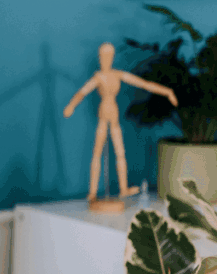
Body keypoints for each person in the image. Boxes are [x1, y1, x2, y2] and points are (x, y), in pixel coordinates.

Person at [63, 42, 177, 201]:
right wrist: (71, 106)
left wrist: (167, 91)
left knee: (120, 151)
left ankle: (123, 189)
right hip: (104, 114)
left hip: (114, 115)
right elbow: (82, 92)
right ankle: (93, 192)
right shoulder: (98, 77)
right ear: (99, 58)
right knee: (97, 151)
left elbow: (144, 84)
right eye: (103, 56)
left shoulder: (118, 75)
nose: (105, 59)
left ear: (112, 57)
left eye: (108, 56)